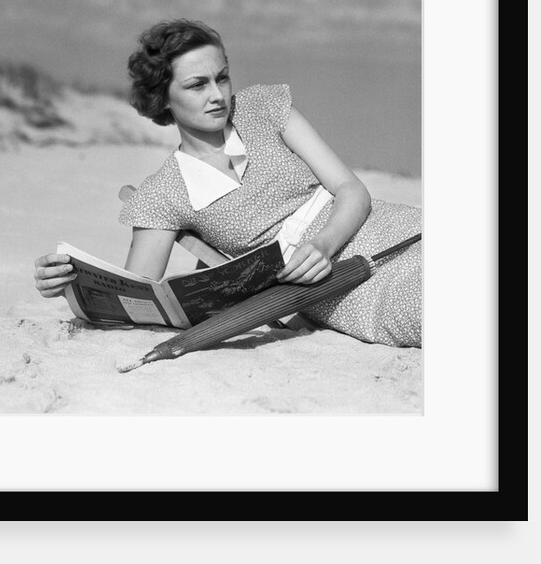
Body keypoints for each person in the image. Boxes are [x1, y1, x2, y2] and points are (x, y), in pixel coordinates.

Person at [34, 19, 421, 348]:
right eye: (197, 85)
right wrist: (67, 284)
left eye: (222, 78)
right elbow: (137, 296)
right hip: (333, 286)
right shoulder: (164, 192)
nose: (217, 95)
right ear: (162, 96)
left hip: (379, 228)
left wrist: (323, 244)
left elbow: (352, 190)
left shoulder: (262, 107)